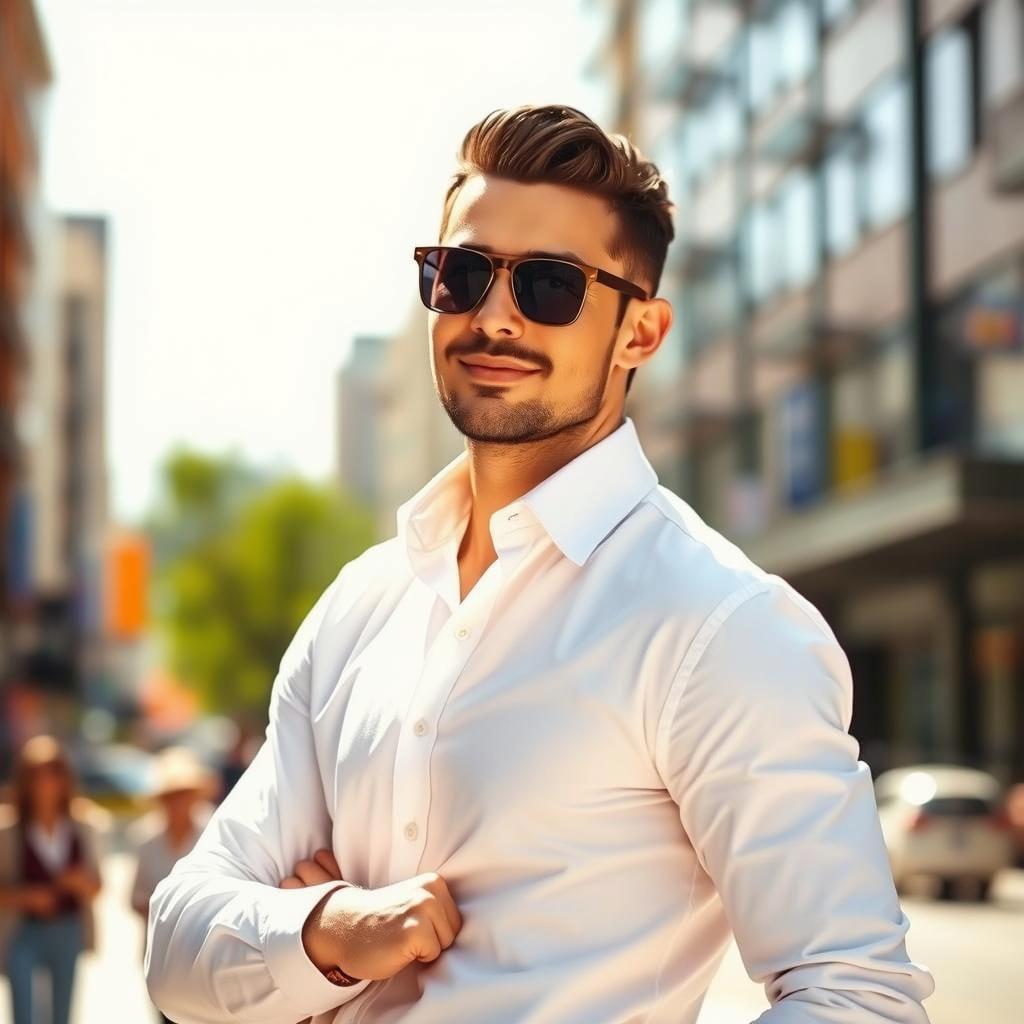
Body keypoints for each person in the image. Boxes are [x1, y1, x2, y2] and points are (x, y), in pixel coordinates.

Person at [145, 104, 935, 1023]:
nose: (493, 318)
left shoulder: (718, 625)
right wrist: (327, 932)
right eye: (462, 274)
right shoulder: (363, 605)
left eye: (550, 286)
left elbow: (856, 995)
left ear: (641, 333)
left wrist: (274, 954)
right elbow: (174, 952)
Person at [0, 735, 103, 1024]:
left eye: (52, 774)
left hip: (68, 929)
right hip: (23, 931)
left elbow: (98, 886)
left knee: (62, 1014)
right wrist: (27, 897)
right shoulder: (8, 830)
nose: (45, 784)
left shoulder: (82, 826)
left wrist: (78, 882)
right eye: (36, 775)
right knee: (24, 1012)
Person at [130, 746, 215, 1024]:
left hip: (207, 951)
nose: (178, 803)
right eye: (171, 796)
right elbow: (134, 897)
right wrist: (162, 908)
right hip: (163, 954)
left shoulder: (214, 832)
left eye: (183, 795)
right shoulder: (146, 839)